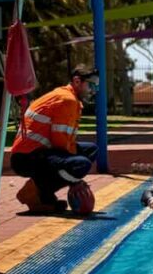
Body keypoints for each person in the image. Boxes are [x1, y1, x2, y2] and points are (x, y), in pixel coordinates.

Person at [11, 64, 99, 213]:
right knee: (80, 165)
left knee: (91, 151)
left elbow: (65, 141)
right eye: (91, 85)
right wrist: (76, 177)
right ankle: (35, 192)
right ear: (77, 81)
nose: (93, 91)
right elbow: (60, 142)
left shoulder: (70, 98)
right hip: (26, 157)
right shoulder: (67, 100)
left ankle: (43, 193)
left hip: (39, 152)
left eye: (95, 87)